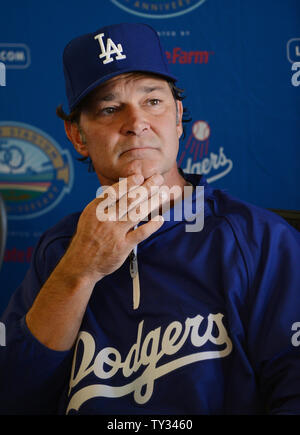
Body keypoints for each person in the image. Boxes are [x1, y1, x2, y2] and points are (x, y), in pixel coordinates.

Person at [0, 22, 300, 416]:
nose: (136, 122)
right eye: (109, 108)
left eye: (152, 102)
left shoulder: (258, 238)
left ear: (178, 117)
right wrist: (79, 270)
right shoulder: (59, 250)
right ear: (77, 135)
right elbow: (13, 398)